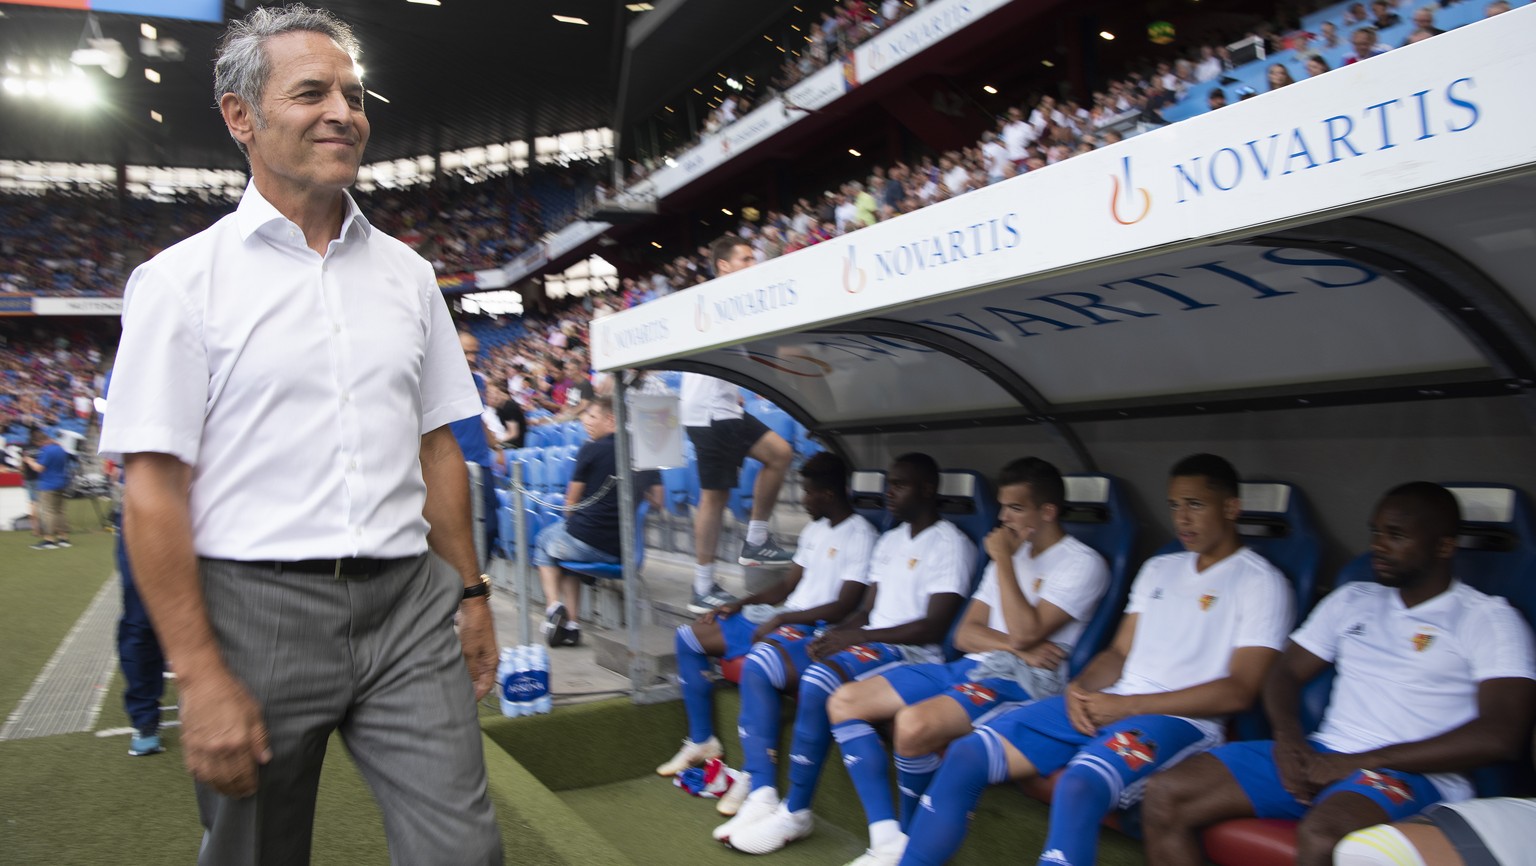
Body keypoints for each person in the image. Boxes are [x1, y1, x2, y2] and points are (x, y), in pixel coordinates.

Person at [98, 7, 502, 864]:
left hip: (407, 609)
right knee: (257, 852)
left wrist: (470, 593)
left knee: (465, 852)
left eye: (353, 94)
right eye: (312, 91)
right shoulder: (176, 284)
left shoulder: (409, 273)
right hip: (255, 615)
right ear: (241, 116)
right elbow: (151, 490)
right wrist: (201, 676)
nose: (343, 112)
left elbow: (439, 450)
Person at [895, 454, 1294, 866]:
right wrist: (1080, 689)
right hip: (1112, 702)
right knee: (968, 754)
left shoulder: (1260, 581)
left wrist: (1128, 706)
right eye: (1175, 505)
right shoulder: (1160, 567)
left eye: (1196, 504)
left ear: (1231, 508)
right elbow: (1119, 653)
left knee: (1080, 784)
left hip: (1181, 720)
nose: (1182, 518)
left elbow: (1239, 691)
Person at [1143, 482, 1536, 866]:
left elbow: (1500, 735)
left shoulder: (1487, 618)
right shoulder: (1352, 598)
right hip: (1321, 752)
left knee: (1324, 837)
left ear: (1444, 546)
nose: (1378, 545)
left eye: (1395, 535)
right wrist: (1288, 739)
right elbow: (1285, 671)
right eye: (1375, 532)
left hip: (1413, 773)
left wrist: (1362, 762)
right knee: (1165, 793)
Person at [826, 457, 1110, 866]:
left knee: (913, 725)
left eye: (1015, 508)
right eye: (1002, 506)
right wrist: (1017, 643)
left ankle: (912, 843)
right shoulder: (1008, 552)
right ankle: (890, 837)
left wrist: (1007, 566)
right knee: (845, 702)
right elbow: (965, 633)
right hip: (976, 663)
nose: (1002, 517)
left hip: (1023, 680)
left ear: (1047, 512)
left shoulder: (1081, 562)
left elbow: (1029, 631)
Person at [725, 453, 977, 855]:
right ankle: (782, 802)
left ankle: (799, 811)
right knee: (798, 665)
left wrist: (857, 637)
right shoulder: (892, 538)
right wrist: (840, 634)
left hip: (913, 653)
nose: (888, 492)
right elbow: (866, 610)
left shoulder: (950, 543)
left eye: (900, 485)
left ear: (928, 489)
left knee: (820, 679)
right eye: (888, 483)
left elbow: (933, 627)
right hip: (874, 642)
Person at [656, 453, 878, 813]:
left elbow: (843, 606)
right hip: (784, 617)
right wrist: (742, 603)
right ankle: (702, 740)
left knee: (761, 662)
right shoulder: (814, 530)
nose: (803, 499)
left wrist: (781, 621)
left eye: (808, 493)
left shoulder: (862, 535)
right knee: (690, 636)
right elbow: (787, 586)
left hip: (813, 627)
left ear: (829, 493)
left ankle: (754, 774)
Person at [680, 235, 796, 613]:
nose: (752, 264)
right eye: (745, 259)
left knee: (780, 453)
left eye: (753, 258)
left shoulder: (734, 301)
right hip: (710, 412)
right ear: (724, 266)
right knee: (715, 496)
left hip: (724, 406)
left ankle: (756, 539)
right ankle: (702, 585)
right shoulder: (717, 298)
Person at [535, 397, 662, 647]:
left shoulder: (590, 449)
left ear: (610, 419)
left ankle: (553, 607)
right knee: (567, 561)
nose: (585, 421)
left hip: (588, 541)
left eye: (592, 416)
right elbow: (658, 501)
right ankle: (572, 627)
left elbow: (571, 504)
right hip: (625, 548)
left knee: (542, 542)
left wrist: (574, 525)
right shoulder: (643, 450)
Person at [453, 331, 501, 560]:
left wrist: (498, 448)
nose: (472, 357)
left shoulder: (479, 381)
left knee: (490, 525)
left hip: (480, 462)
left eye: (475, 352)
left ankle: (479, 580)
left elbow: (478, 418)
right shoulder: (436, 381)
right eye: (466, 352)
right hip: (452, 463)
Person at [24, 427, 71, 549]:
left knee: (47, 512)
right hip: (61, 482)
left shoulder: (46, 450)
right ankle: (63, 537)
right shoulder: (60, 448)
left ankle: (49, 539)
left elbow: (39, 468)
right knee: (59, 511)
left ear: (40, 442)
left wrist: (29, 461)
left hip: (48, 484)